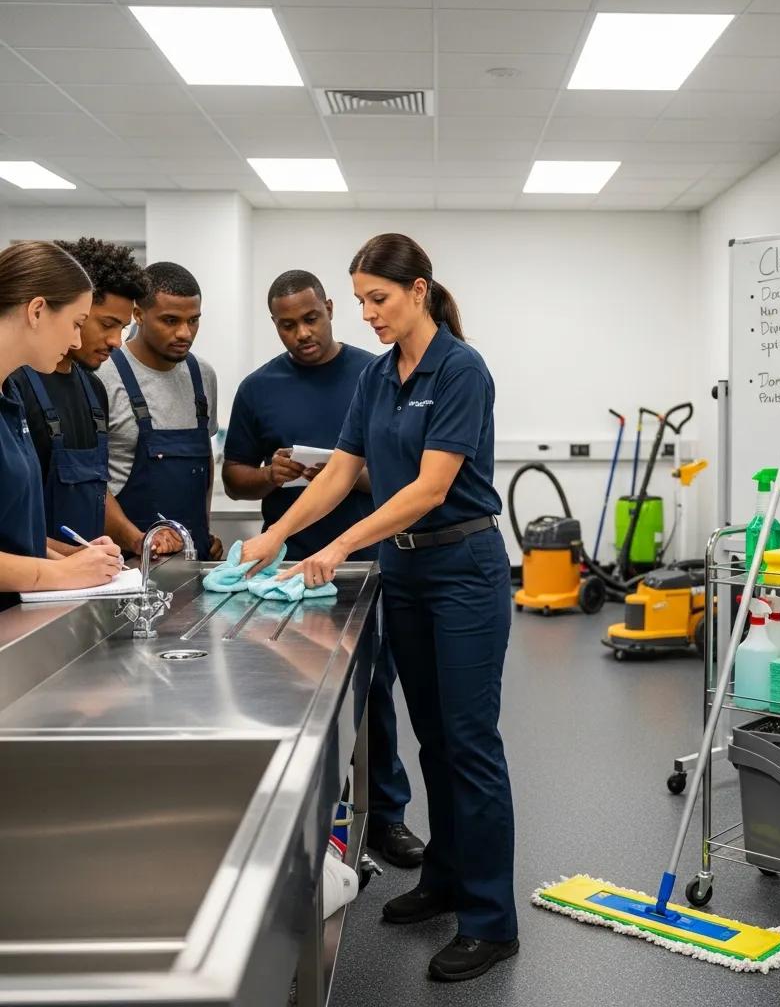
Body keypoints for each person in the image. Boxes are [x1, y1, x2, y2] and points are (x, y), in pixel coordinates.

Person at [242, 234, 516, 983]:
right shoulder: (379, 376)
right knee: (432, 737)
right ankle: (446, 880)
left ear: (419, 290)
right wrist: (279, 532)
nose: (366, 313)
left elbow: (429, 489)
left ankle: (491, 920)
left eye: (379, 299)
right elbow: (340, 472)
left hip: (463, 568)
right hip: (408, 571)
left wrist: (340, 548)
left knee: (470, 743)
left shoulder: (460, 369)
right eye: (360, 299)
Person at [222, 269, 423, 868]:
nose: (303, 333)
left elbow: (408, 475)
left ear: (331, 308)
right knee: (293, 690)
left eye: (312, 319)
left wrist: (344, 474)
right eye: (288, 325)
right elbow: (235, 478)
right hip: (287, 569)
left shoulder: (377, 373)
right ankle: (312, 812)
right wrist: (272, 475)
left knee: (372, 689)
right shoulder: (259, 388)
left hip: (363, 557)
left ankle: (387, 815)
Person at [0, 241, 125, 611]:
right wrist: (60, 575)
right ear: (37, 310)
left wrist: (75, 561)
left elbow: (15, 536)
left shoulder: (10, 399)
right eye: (76, 324)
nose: (75, 340)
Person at [12, 238, 148, 551]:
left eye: (123, 328)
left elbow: (94, 491)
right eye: (106, 324)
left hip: (80, 582)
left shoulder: (93, 389)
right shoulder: (15, 387)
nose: (116, 341)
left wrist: (134, 540)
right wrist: (71, 562)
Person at [97, 262, 223, 560]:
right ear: (138, 314)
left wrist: (203, 530)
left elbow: (204, 459)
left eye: (193, 320)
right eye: (170, 320)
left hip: (191, 557)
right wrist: (136, 540)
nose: (184, 332)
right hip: (127, 561)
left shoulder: (202, 375)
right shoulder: (103, 375)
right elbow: (91, 484)